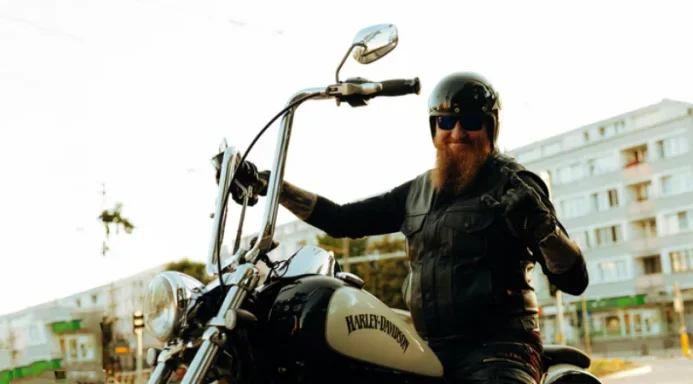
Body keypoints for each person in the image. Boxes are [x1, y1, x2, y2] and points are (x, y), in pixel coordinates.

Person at [229, 72, 589, 384]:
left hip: (498, 350)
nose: (457, 133)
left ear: (491, 127)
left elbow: (574, 280)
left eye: (471, 122)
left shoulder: (515, 185)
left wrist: (542, 228)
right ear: (434, 128)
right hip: (424, 347)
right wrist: (271, 185)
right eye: (446, 122)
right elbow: (343, 219)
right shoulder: (419, 191)